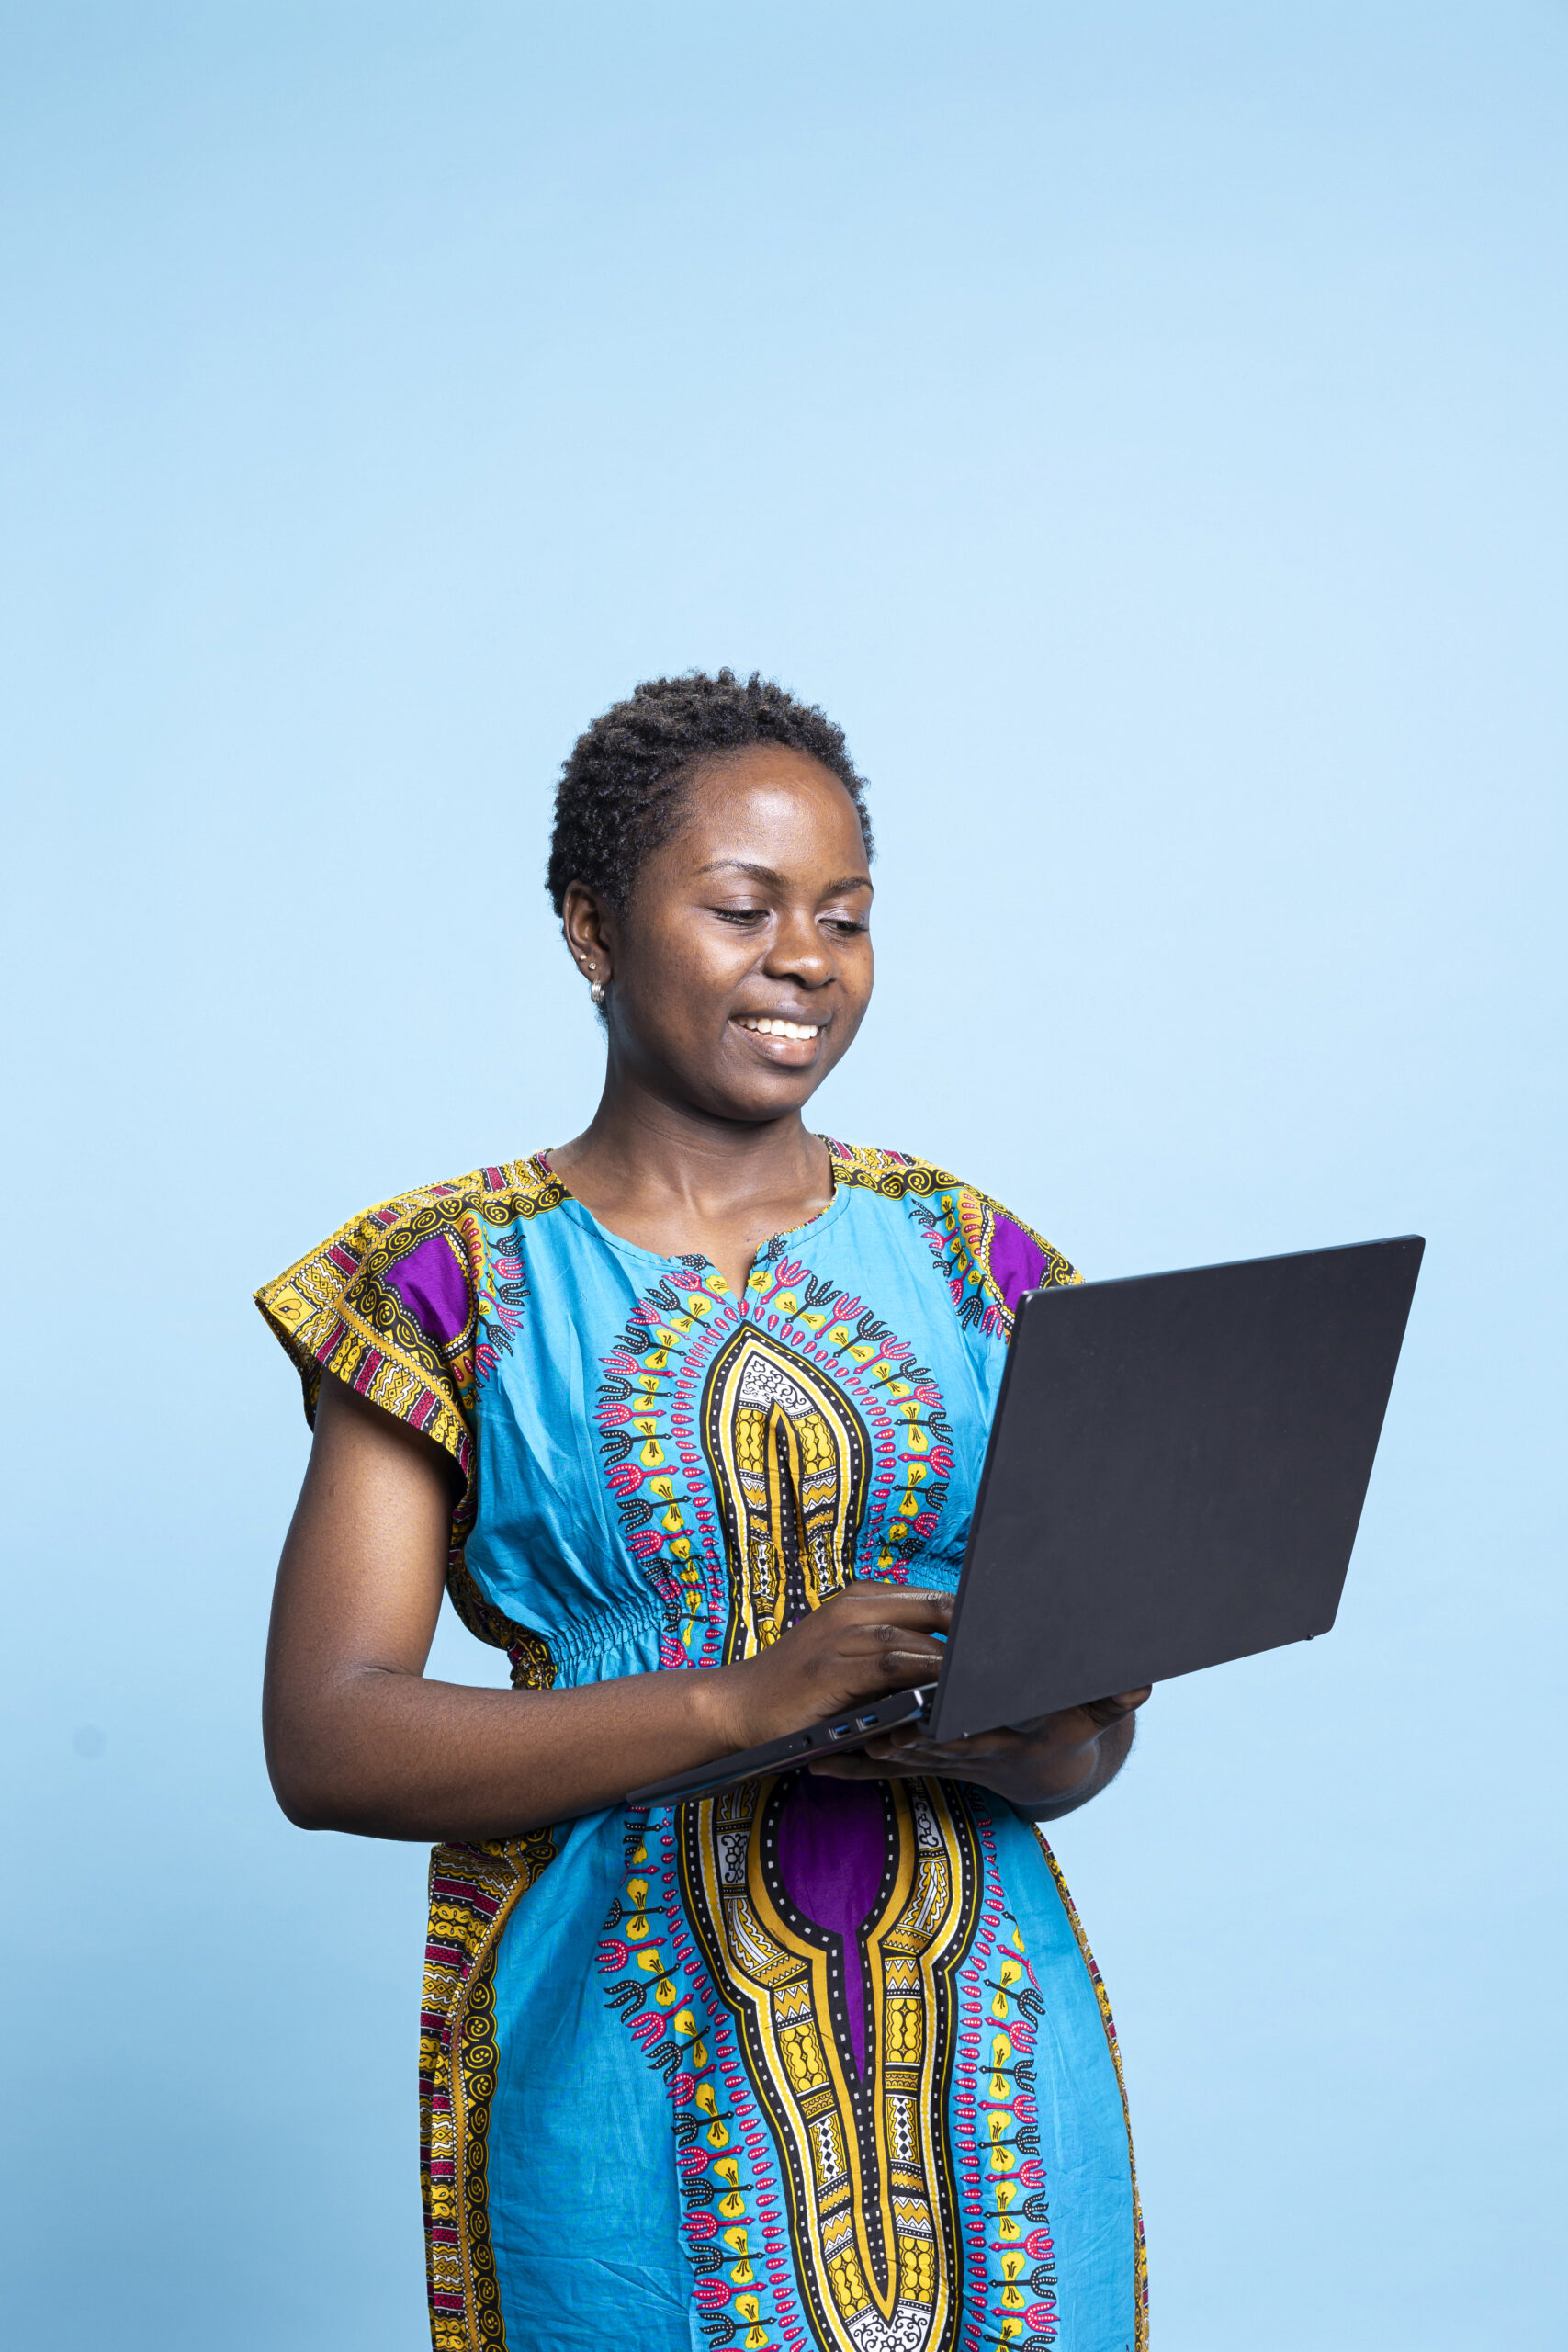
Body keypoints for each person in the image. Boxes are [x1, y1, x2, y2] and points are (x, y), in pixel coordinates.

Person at [258, 670, 1151, 2352]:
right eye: (743, 907)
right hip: (632, 2077)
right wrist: (744, 1702)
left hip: (986, 2066)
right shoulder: (447, 1279)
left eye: (846, 916)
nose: (802, 956)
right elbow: (329, 1739)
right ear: (594, 931)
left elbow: (1086, 1748)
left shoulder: (978, 1261)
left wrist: (1039, 1735)